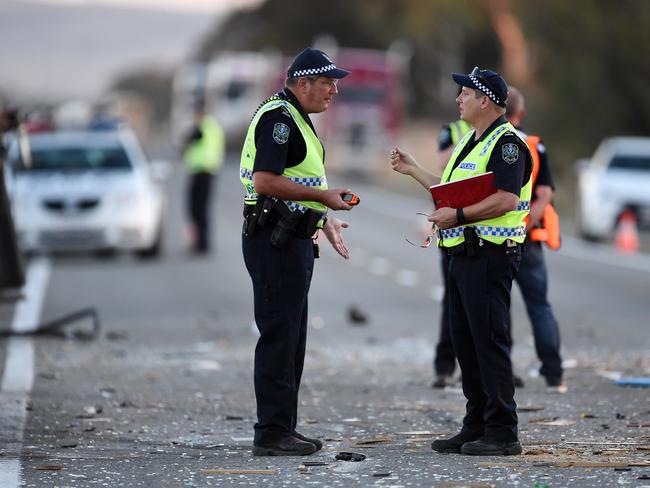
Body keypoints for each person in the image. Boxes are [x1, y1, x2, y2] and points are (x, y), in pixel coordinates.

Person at [391, 67, 532, 456]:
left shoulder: (507, 144)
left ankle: (503, 432)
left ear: (485, 100)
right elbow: (451, 194)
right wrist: (414, 169)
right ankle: (476, 425)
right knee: (466, 345)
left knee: (489, 343)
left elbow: (506, 199)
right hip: (462, 255)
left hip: (489, 254)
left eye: (465, 93)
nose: (458, 99)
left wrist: (461, 217)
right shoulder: (471, 141)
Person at [240, 47, 356, 456]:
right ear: (302, 82)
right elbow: (266, 181)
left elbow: (296, 180)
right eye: (327, 82)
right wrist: (324, 196)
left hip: (292, 236)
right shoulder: (279, 119)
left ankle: (283, 427)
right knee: (279, 336)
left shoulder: (295, 117)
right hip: (275, 240)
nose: (334, 91)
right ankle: (271, 433)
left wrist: (324, 216)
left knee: (292, 338)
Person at [505, 87, 565, 392]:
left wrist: (519, 228)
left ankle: (503, 371)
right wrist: (528, 225)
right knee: (539, 305)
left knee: (498, 305)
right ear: (522, 113)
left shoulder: (496, 144)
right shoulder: (534, 146)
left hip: (503, 237)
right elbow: (544, 195)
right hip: (529, 238)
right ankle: (554, 372)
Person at [182, 104, 225, 254]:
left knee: (197, 209)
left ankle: (201, 243)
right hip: (210, 171)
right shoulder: (214, 127)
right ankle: (203, 242)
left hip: (201, 171)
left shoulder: (202, 126)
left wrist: (185, 143)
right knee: (202, 209)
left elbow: (191, 139)